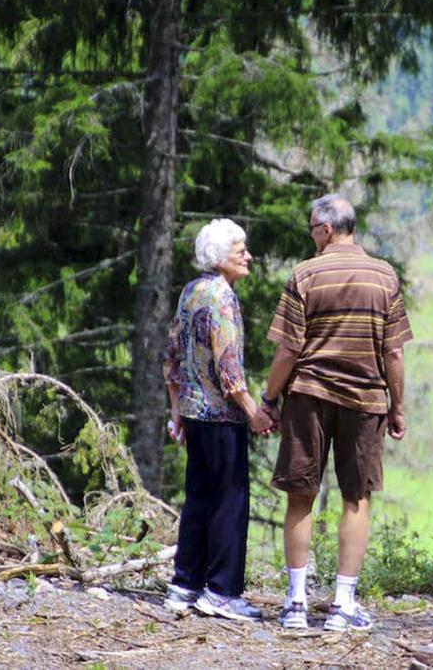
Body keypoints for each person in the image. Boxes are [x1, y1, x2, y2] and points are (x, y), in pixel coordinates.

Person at [260, 194, 412, 631]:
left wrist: (269, 400)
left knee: (300, 497)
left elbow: (289, 349)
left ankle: (295, 604)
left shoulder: (304, 274)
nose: (311, 237)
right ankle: (343, 605)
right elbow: (394, 352)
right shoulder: (384, 276)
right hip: (365, 401)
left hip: (308, 396)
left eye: (312, 229)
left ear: (326, 230)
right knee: (356, 499)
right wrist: (398, 407)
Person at [161, 218, 273, 622]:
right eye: (240, 249)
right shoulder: (223, 298)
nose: (248, 256)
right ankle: (222, 591)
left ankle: (184, 584)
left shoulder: (191, 291)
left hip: (193, 413)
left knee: (199, 499)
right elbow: (229, 368)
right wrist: (254, 412)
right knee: (230, 501)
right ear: (220, 256)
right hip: (222, 416)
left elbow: (171, 356)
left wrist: (176, 413)